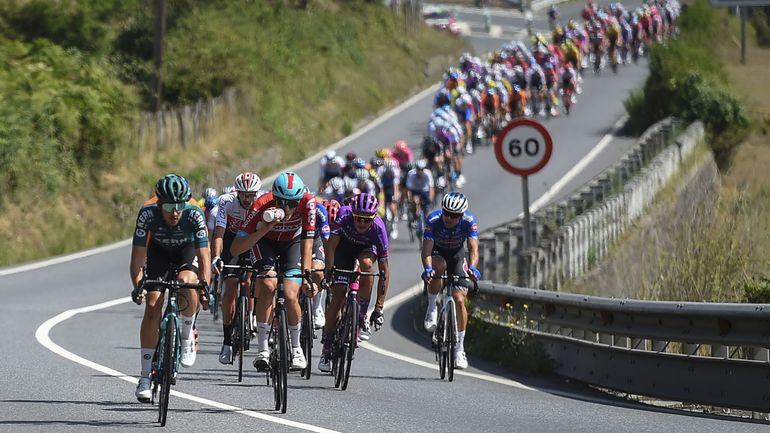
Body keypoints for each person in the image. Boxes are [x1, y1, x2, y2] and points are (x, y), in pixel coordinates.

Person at [129, 174, 211, 402]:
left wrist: (205, 288)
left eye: (178, 206)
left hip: (187, 251)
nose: (174, 212)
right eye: (168, 206)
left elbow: (205, 258)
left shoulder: (194, 213)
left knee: (188, 282)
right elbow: (137, 259)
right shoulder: (147, 214)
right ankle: (145, 377)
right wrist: (138, 287)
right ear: (158, 204)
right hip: (159, 254)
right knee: (153, 304)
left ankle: (186, 335)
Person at [230, 172, 316, 371]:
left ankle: (296, 348)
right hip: (266, 243)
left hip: (292, 243)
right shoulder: (261, 204)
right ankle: (262, 349)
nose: (288, 208)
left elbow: (308, 241)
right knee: (268, 285)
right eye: (282, 202)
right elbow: (236, 248)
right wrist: (263, 230)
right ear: (274, 198)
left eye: (293, 203)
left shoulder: (308, 202)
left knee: (290, 292)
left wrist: (307, 274)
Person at [318, 193, 390, 372]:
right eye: (358, 218)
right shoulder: (343, 215)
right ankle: (326, 349)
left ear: (374, 218)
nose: (362, 223)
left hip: (365, 250)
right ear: (352, 215)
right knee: (339, 294)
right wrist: (328, 273)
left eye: (367, 220)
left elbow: (384, 272)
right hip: (343, 249)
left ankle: (362, 315)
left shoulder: (379, 229)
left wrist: (379, 308)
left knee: (367, 267)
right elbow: (331, 247)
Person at [421, 192, 480, 370]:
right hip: (437, 252)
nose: (448, 218)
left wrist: (472, 268)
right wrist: (428, 269)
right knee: (438, 268)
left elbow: (473, 249)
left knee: (459, 299)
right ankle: (432, 307)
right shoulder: (434, 220)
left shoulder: (469, 221)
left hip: (456, 254)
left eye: (453, 215)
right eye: (446, 213)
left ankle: (459, 348)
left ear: (461, 215)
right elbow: (426, 251)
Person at [212, 171, 264, 364]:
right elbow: (219, 232)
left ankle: (251, 316)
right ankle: (226, 342)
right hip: (231, 240)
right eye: (244, 194)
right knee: (231, 286)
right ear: (237, 192)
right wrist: (217, 256)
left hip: (252, 242)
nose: (248, 198)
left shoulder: (261, 204)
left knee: (253, 278)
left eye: (252, 194)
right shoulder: (226, 201)